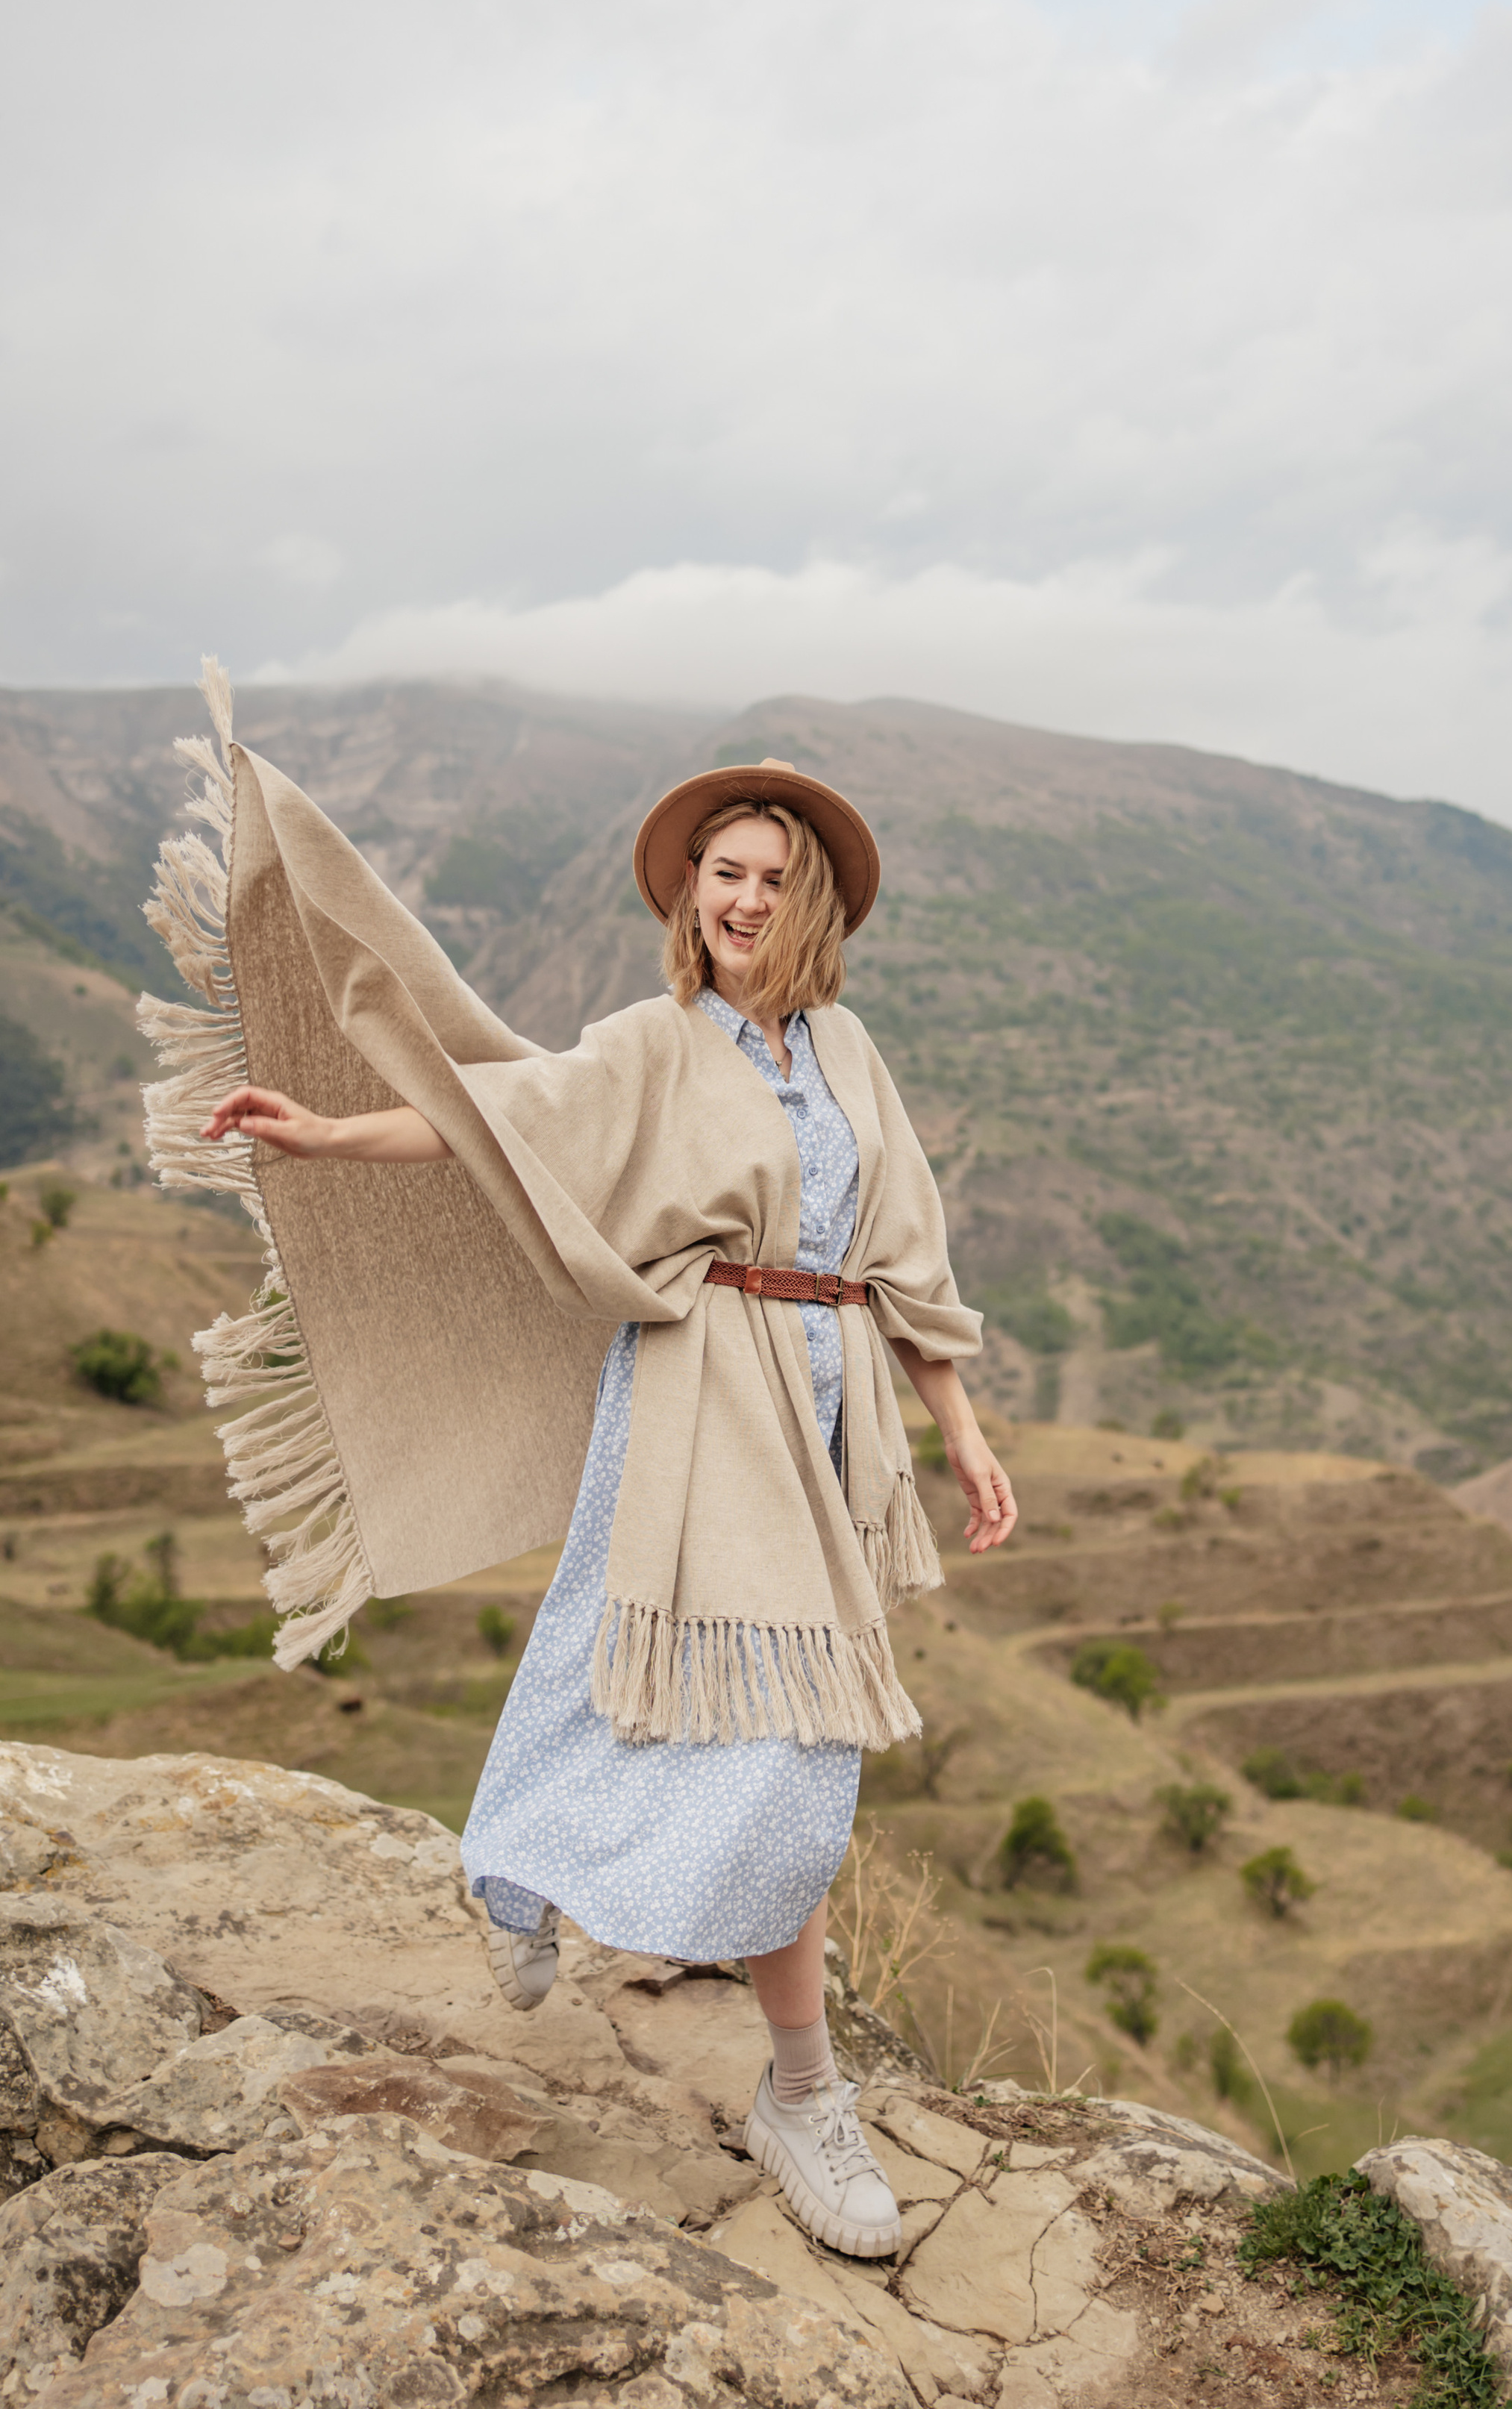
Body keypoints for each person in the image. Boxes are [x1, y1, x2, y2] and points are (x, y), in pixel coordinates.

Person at [164, 708, 1016, 2264]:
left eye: (765, 877)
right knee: (734, 1713)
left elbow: (903, 1256)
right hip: (699, 1390)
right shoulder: (649, 1044)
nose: (737, 899)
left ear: (807, 902)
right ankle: (794, 2083)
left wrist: (954, 1424)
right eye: (716, 874)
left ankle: (537, 1878)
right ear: (687, 894)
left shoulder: (845, 1053)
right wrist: (332, 1131)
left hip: (821, 1425)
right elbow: (498, 1119)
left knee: (748, 1724)